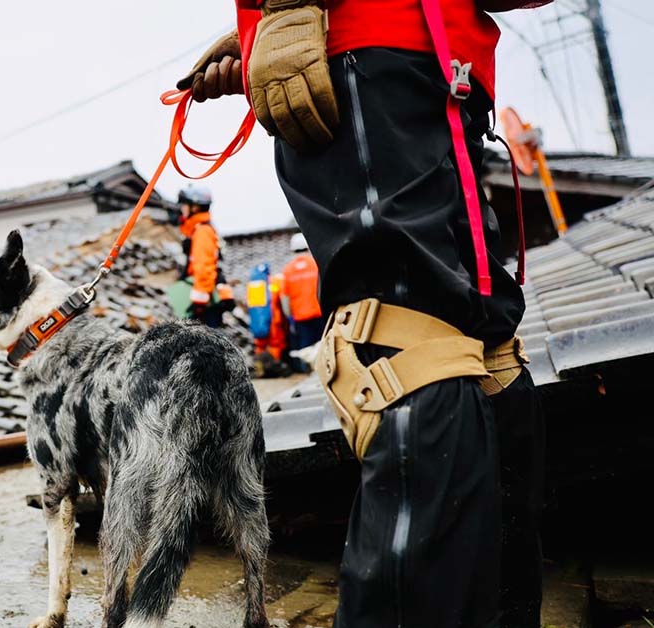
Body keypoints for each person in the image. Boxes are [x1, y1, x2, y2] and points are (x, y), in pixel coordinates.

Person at [177, 1, 548, 626]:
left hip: (439, 68)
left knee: (484, 357)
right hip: (377, 55)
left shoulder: (204, 235)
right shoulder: (207, 236)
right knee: (414, 344)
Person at [178, 185, 234, 328]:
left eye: (185, 205)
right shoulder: (201, 229)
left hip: (205, 302)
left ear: (195, 207)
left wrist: (199, 302)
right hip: (207, 297)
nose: (182, 208)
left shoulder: (202, 231)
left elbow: (204, 266)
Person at [282, 232, 323, 373]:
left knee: (305, 347)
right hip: (319, 313)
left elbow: (284, 299)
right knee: (323, 344)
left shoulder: (288, 270)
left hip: (300, 316)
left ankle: (308, 371)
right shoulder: (316, 264)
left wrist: (289, 316)